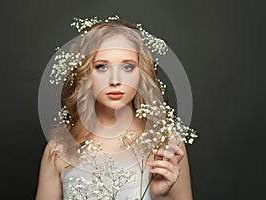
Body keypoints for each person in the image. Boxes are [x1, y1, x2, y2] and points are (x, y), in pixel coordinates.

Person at [36, 16, 194, 200]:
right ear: (86, 73)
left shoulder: (165, 144)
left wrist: (161, 196)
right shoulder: (59, 150)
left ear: (141, 73)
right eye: (102, 67)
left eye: (128, 67)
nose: (115, 80)